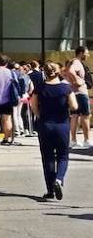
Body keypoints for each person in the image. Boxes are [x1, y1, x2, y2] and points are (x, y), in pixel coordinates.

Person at [31, 61, 77, 201]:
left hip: (45, 125)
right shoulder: (66, 88)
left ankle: (50, 190)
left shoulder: (40, 87)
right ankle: (59, 179)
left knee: (48, 158)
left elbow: (33, 106)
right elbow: (74, 106)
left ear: (45, 72)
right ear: (58, 72)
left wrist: (40, 115)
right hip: (62, 125)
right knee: (63, 156)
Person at [63, 45, 91, 149]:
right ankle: (86, 140)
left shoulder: (72, 62)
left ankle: (73, 140)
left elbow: (66, 72)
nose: (88, 55)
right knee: (85, 116)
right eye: (86, 53)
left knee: (74, 116)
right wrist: (77, 80)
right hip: (81, 93)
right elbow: (70, 71)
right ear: (81, 53)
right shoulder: (77, 62)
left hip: (74, 93)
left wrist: (74, 81)